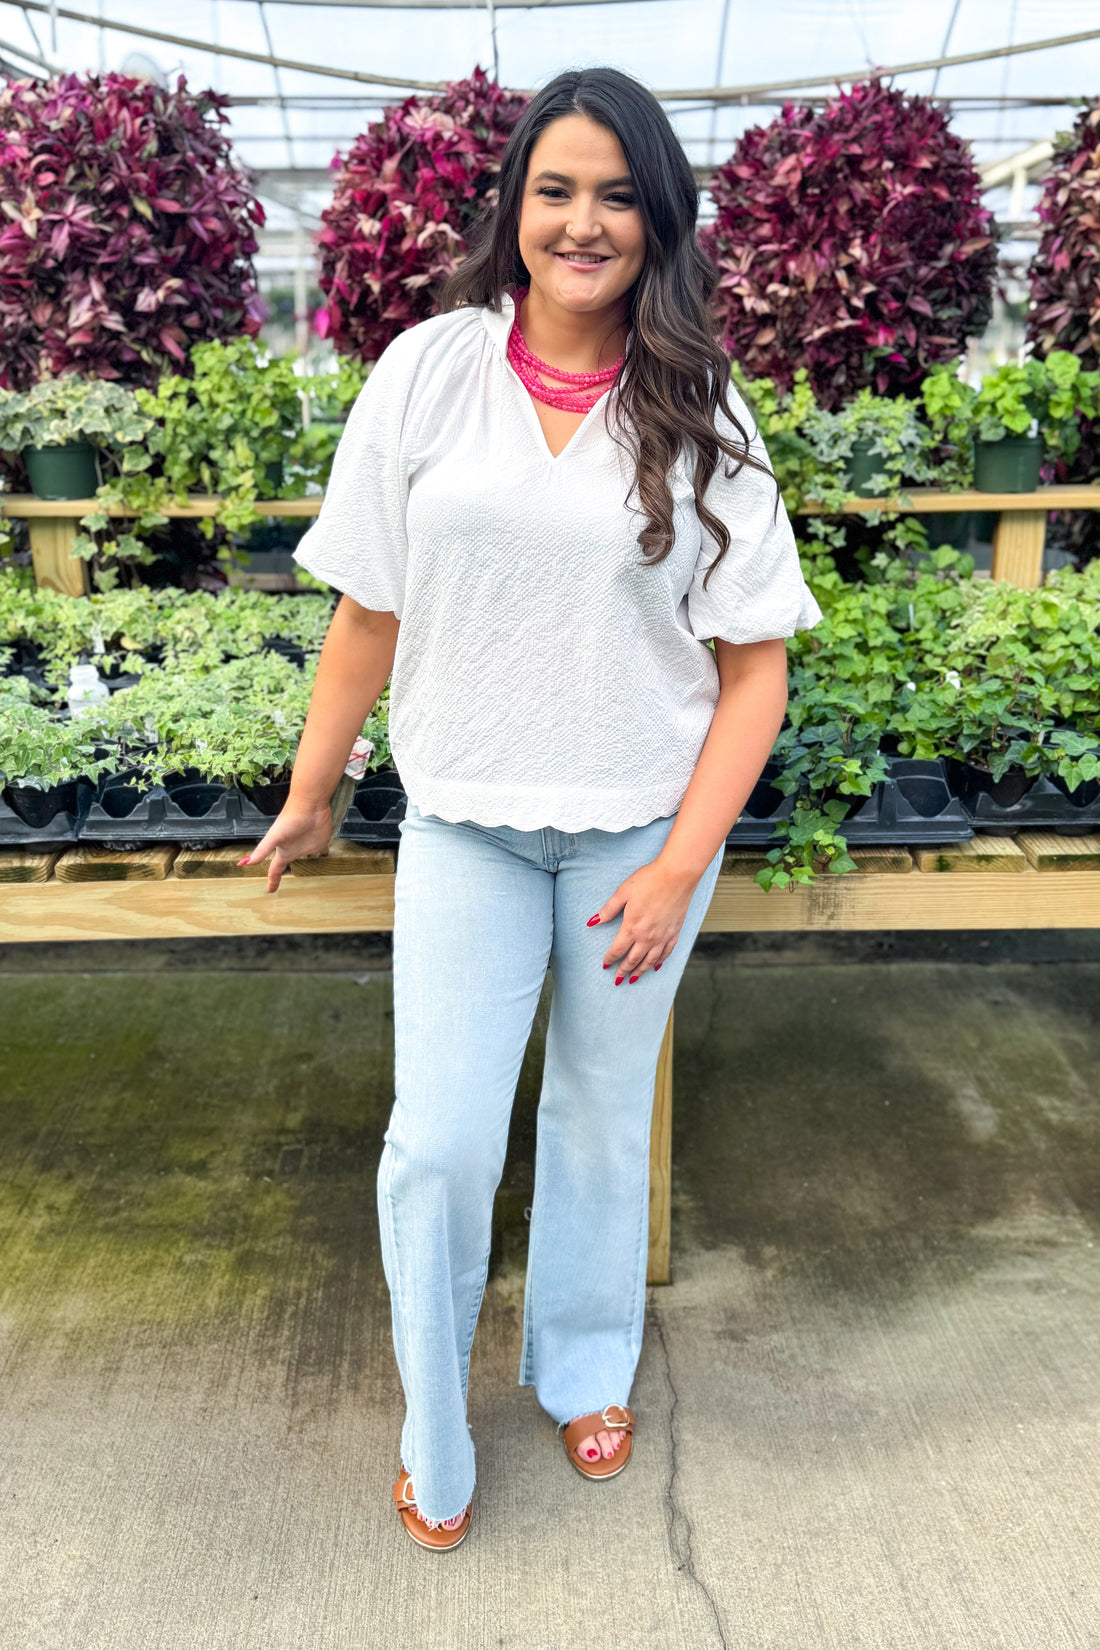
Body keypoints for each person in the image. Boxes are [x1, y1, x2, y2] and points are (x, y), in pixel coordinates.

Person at [241, 64, 822, 1552]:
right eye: (555, 189)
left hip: (636, 836)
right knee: (438, 1142)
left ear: (658, 220)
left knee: (598, 1116)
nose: (584, 222)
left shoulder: (701, 406)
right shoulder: (428, 372)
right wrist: (313, 790)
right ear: (513, 205)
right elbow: (370, 610)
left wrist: (680, 866)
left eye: (618, 195)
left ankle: (584, 1368)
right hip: (467, 828)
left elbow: (753, 668)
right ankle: (433, 1425)